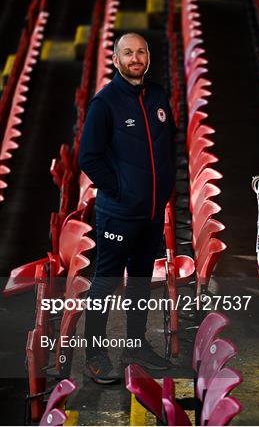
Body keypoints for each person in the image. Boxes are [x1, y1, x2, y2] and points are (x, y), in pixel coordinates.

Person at [79, 33, 176, 384]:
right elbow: (87, 156)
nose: (135, 58)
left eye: (140, 52)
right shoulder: (104, 103)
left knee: (138, 282)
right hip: (118, 214)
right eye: (127, 53)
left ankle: (135, 346)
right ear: (116, 59)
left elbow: (169, 143)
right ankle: (94, 355)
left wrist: (161, 189)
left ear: (148, 56)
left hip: (150, 214)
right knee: (104, 284)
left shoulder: (158, 95)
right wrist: (120, 190)